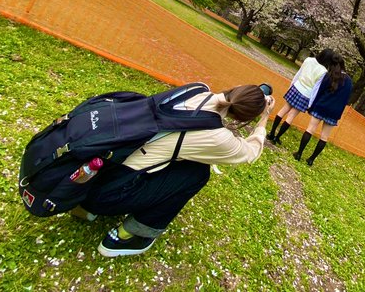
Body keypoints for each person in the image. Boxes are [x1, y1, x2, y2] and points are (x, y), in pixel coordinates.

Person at [70, 84, 275, 257]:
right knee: (197, 173)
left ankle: (86, 208)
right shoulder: (217, 137)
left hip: (89, 173)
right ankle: (127, 236)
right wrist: (264, 118)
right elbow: (250, 152)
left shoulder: (197, 89)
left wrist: (247, 95)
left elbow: (216, 106)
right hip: (107, 195)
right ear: (243, 118)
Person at [292, 53, 353, 166]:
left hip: (321, 106)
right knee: (324, 137)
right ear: (343, 65)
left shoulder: (328, 76)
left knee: (310, 129)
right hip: (334, 112)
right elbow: (346, 100)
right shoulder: (349, 81)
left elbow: (319, 91)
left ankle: (299, 153)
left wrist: (312, 106)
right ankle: (311, 160)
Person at [266, 49, 334, 145]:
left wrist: (291, 85)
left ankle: (271, 133)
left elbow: (298, 73)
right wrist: (311, 103)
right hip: (306, 94)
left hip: (296, 87)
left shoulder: (309, 60)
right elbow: (316, 88)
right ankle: (277, 137)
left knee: (283, 110)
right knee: (291, 116)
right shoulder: (324, 72)